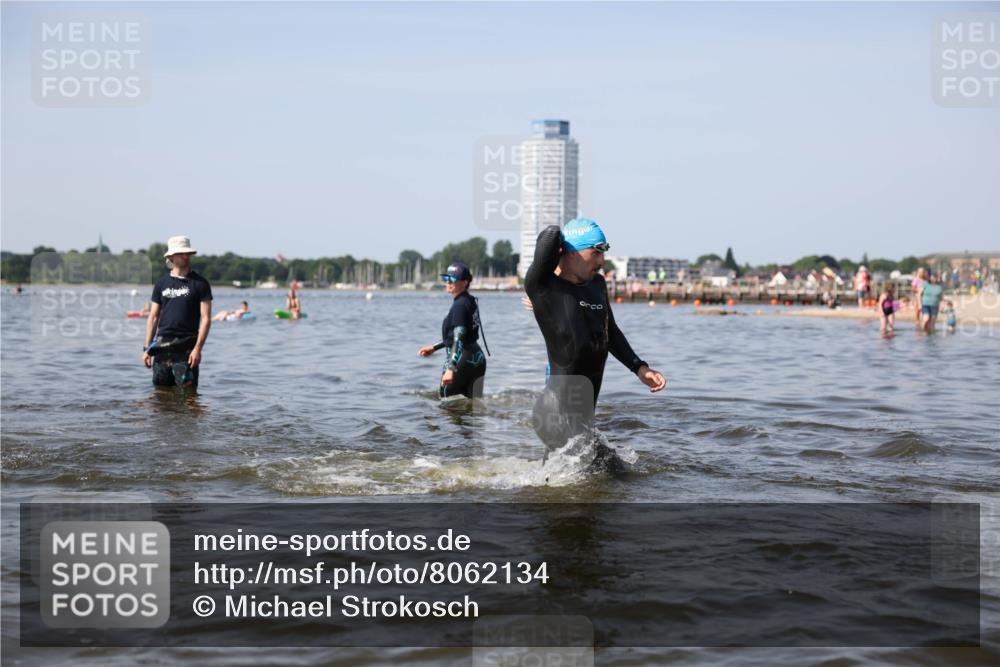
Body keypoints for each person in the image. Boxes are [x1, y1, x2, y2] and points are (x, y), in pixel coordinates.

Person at [525, 218, 666, 466]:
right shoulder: (545, 287)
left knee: (583, 483)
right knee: (608, 478)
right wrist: (562, 242)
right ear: (568, 253)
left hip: (581, 416)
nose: (602, 262)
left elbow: (610, 329)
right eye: (595, 253)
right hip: (555, 413)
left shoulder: (597, 286)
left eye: (603, 253)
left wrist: (640, 368)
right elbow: (549, 236)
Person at [142, 236, 212, 389]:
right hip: (161, 348)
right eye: (181, 253)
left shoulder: (200, 283)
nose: (186, 256)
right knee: (161, 397)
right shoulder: (161, 283)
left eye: (187, 253)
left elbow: (206, 319)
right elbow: (153, 317)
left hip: (186, 350)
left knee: (189, 398)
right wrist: (147, 348)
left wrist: (198, 349)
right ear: (171, 257)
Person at [418, 262, 488, 399]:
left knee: (447, 406)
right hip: (477, 358)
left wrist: (451, 368)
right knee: (473, 410)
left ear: (464, 282)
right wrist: (434, 347)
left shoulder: (459, 306)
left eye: (453, 279)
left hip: (461, 360)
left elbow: (459, 337)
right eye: (446, 278)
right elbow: (459, 335)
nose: (448, 282)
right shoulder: (469, 301)